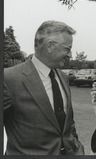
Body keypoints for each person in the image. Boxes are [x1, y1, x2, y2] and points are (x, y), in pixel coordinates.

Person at [4, 20, 85, 155]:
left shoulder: (63, 78)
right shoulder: (9, 78)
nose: (70, 54)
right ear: (50, 46)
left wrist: (77, 147)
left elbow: (68, 123)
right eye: (67, 48)